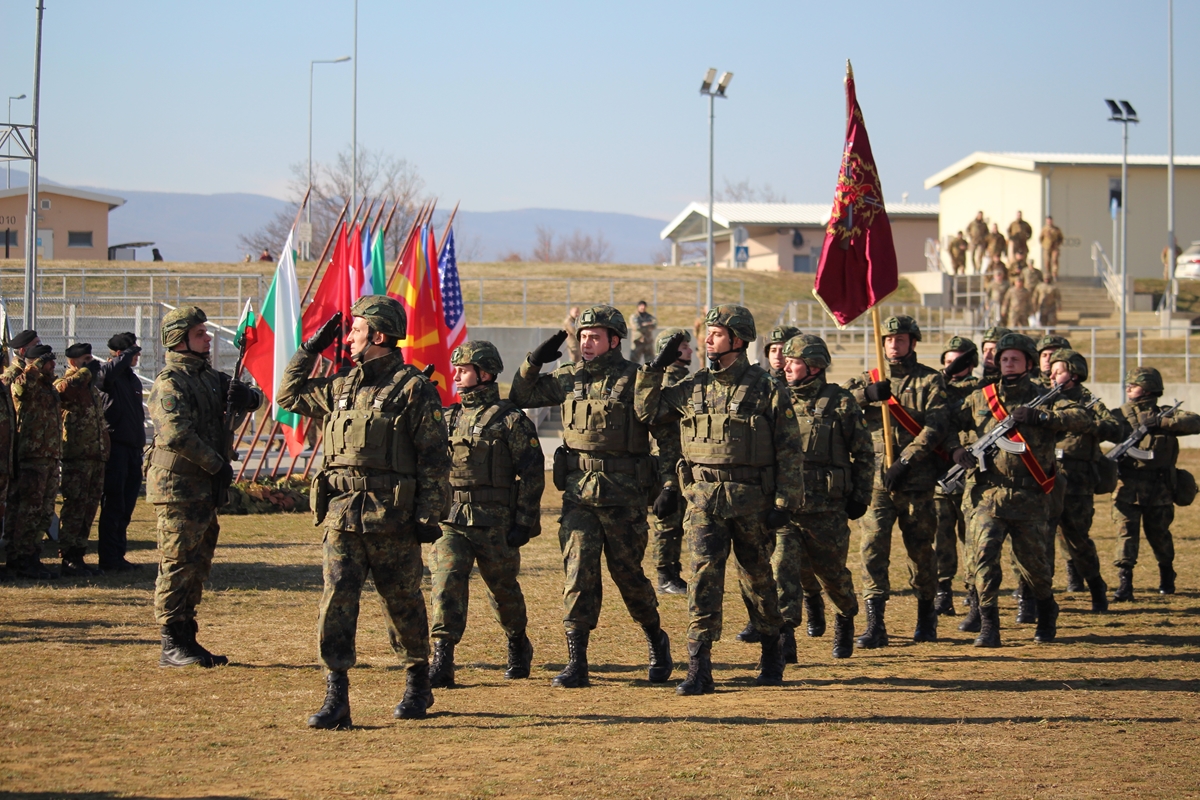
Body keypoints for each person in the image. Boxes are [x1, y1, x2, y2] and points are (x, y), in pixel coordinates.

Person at [277, 297, 449, 727]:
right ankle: (336, 695)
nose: (348, 337)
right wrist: (308, 350)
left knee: (402, 602)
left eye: (355, 330)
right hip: (341, 515)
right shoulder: (340, 386)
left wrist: (428, 516)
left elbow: (434, 457)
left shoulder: (413, 388)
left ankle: (417, 683)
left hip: (392, 516)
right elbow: (288, 394)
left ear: (377, 335)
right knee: (336, 600)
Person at [635, 305, 803, 694]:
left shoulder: (765, 387)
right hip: (703, 500)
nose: (707, 339)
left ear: (738, 340)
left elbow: (790, 449)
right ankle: (699, 665)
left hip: (751, 500)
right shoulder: (692, 386)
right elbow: (647, 411)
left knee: (757, 578)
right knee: (703, 579)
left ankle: (772, 649)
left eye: (716, 333)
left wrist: (784, 504)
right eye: (707, 332)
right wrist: (654, 369)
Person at [509, 305, 673, 689]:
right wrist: (534, 360)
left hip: (624, 497)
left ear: (614, 340)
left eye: (595, 336)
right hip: (579, 495)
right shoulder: (568, 377)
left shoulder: (636, 378)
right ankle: (577, 662)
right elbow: (520, 394)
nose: (586, 342)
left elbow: (665, 435)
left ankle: (656, 641)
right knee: (578, 575)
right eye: (582, 336)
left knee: (628, 575)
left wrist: (668, 485)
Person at [951, 333, 1089, 647]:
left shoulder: (1046, 395)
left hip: (1030, 496)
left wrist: (1042, 416)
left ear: (1028, 362)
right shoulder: (981, 396)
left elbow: (1083, 418)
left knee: (1035, 567)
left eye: (1014, 358)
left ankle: (1045, 608)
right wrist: (955, 450)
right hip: (988, 495)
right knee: (983, 560)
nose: (1008, 363)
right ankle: (989, 625)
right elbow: (948, 423)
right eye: (1003, 358)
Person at [147, 306, 262, 669]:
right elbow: (177, 433)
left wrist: (247, 399)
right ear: (178, 340)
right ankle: (170, 641)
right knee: (178, 562)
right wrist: (216, 465)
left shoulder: (209, 378)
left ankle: (187, 635)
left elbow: (251, 399)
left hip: (203, 488)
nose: (208, 338)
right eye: (199, 333)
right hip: (179, 487)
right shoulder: (171, 382)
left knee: (198, 563)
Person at [427, 341, 543, 688]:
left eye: (463, 370)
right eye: (456, 369)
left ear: (485, 373)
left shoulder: (510, 420)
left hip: (496, 523)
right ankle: (443, 658)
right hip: (452, 522)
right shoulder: (447, 417)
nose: (456, 375)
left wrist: (524, 521)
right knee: (446, 581)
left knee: (502, 590)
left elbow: (532, 473)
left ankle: (517, 642)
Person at [844, 315, 949, 648]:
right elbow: (839, 406)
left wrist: (905, 460)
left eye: (900, 340)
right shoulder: (868, 379)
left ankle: (925, 616)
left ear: (913, 343)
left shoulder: (930, 381)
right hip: (877, 483)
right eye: (888, 340)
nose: (893, 345)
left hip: (915, 481)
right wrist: (867, 395)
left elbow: (936, 426)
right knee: (873, 551)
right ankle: (876, 624)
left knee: (920, 551)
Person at [776, 334, 873, 659]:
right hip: (786, 508)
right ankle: (784, 636)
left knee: (832, 574)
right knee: (782, 570)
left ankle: (845, 617)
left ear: (814, 366)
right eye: (787, 361)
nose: (787, 367)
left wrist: (860, 496)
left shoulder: (841, 402)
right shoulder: (777, 400)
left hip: (827, 509)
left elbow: (864, 454)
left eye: (795, 362)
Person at [1110, 367, 1200, 601]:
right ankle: (1124, 583)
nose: (1128, 388)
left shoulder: (1166, 415)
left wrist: (1161, 422)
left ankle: (1166, 572)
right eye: (1128, 384)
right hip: (1127, 487)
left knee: (1159, 535)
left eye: (1134, 384)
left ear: (1149, 388)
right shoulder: (1120, 415)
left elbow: (1195, 422)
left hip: (1159, 489)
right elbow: (1100, 428)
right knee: (1125, 534)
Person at [1046, 349, 1124, 612]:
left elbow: (1115, 428)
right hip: (1044, 478)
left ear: (1074, 373)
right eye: (1051, 370)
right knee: (1041, 539)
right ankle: (1037, 599)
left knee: (1077, 539)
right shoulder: (1043, 399)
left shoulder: (1088, 400)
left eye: (1058, 371)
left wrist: (1087, 425)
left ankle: (1095, 586)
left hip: (1078, 482)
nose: (1051, 375)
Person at [933, 336, 980, 616]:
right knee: (942, 536)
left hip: (973, 471)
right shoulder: (936, 387)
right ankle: (943, 591)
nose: (953, 366)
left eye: (959, 361)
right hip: (941, 472)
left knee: (973, 537)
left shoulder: (982, 388)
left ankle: (975, 590)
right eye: (948, 361)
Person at [53, 343, 109, 577]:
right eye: (86, 359)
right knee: (75, 507)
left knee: (88, 508)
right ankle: (68, 556)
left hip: (95, 455)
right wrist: (85, 373)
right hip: (76, 455)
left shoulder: (90, 386)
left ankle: (79, 554)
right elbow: (63, 393)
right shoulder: (65, 383)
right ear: (73, 362)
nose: (91, 363)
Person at [5, 344, 58, 579]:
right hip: (30, 455)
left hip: (49, 455)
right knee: (28, 510)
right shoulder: (25, 380)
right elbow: (19, 389)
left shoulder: (47, 385)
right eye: (47, 361)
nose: (52, 365)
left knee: (43, 511)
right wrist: (34, 367)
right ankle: (20, 559)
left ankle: (32, 556)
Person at [648, 327, 693, 595]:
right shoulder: (668, 382)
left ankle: (673, 572)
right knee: (668, 521)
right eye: (684, 346)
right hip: (669, 460)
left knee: (680, 519)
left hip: (683, 459)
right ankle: (665, 575)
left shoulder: (683, 378)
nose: (690, 350)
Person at [95, 332, 146, 572]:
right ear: (120, 354)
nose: (137, 356)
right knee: (114, 504)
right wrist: (124, 356)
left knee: (126, 506)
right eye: (133, 352)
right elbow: (103, 377)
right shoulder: (109, 374)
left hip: (133, 448)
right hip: (116, 448)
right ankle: (108, 558)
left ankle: (118, 554)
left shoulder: (131, 379)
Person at [630, 301, 658, 365]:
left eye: (644, 306)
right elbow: (637, 326)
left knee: (650, 363)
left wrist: (643, 324)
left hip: (648, 342)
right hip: (637, 342)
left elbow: (654, 324)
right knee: (633, 362)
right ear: (638, 307)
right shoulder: (634, 317)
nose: (643, 307)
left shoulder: (649, 317)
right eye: (641, 306)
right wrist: (648, 324)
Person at [1039, 217, 1063, 282]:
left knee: (1054, 260)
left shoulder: (1056, 229)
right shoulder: (1044, 229)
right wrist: (1044, 245)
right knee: (1047, 261)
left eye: (1050, 221)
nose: (1049, 222)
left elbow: (1061, 238)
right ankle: (1048, 274)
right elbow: (1040, 238)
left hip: (1054, 247)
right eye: (1048, 221)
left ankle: (1054, 274)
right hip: (1047, 248)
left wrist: (1057, 244)